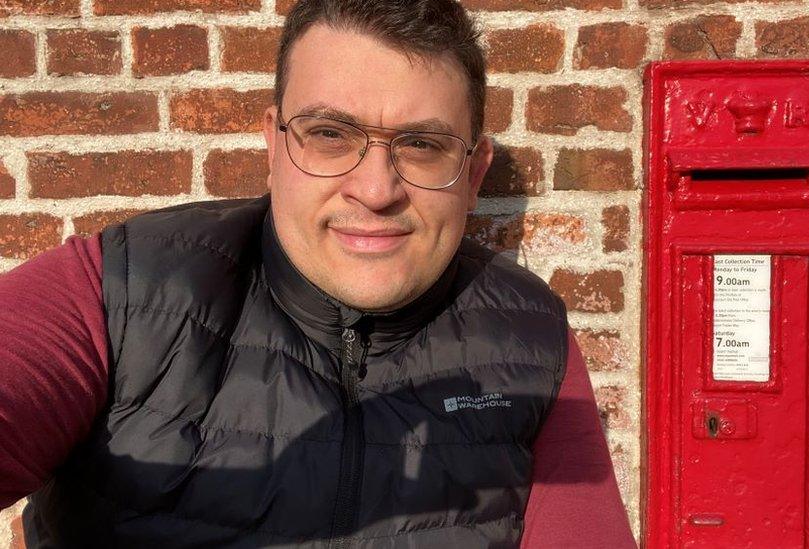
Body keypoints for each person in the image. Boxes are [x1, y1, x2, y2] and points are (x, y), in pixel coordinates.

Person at [0, 0, 635, 547]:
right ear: (274, 146)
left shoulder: (534, 341)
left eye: (422, 145)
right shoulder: (123, 291)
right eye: (329, 134)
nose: (376, 189)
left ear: (472, 174)